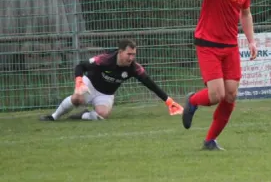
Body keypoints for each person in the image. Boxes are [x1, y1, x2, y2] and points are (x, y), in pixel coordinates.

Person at [182, 0, 258, 150]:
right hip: (208, 44)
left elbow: (245, 13)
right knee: (217, 95)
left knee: (231, 94)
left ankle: (210, 141)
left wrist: (251, 41)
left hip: (230, 45)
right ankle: (193, 100)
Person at [39, 38, 183, 121]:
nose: (132, 58)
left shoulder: (134, 68)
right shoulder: (105, 60)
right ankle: (53, 117)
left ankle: (83, 116)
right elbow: (80, 66)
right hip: (90, 85)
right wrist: (79, 81)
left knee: (103, 115)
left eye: (134, 54)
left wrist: (170, 102)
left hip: (106, 94)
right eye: (129, 54)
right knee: (77, 99)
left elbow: (151, 84)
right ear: (120, 52)